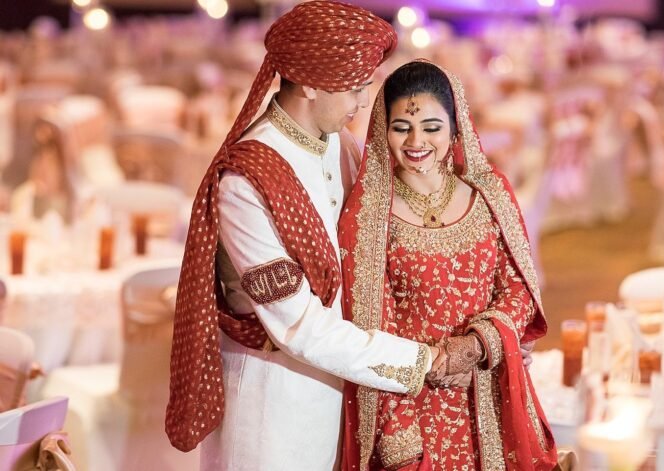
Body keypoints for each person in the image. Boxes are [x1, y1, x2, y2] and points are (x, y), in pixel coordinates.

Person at [165, 3, 478, 470]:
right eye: (355, 87)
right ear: (309, 83)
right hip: (273, 409)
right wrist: (423, 361)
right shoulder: (247, 180)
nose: (361, 102)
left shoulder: (341, 145)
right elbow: (299, 325)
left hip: (344, 391)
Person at [338, 60, 558, 470]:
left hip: (492, 393)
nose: (416, 140)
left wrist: (474, 347)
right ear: (383, 130)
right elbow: (372, 332)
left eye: (432, 128)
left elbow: (519, 290)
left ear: (456, 129)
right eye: (402, 127)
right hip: (413, 404)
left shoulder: (490, 194)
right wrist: (402, 440)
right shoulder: (369, 219)